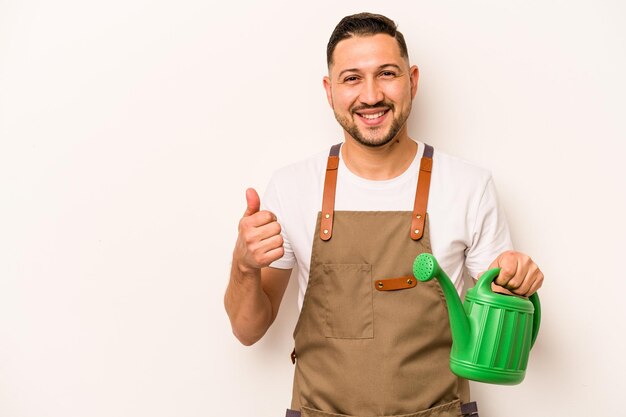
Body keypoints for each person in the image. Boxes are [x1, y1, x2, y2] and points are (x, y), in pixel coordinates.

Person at [224, 12, 544, 417]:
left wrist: (515, 288)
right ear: (329, 89)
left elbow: (496, 343)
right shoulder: (291, 187)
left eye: (387, 74)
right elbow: (248, 330)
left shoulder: (469, 186)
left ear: (412, 80)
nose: (371, 95)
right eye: (352, 78)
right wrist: (244, 264)